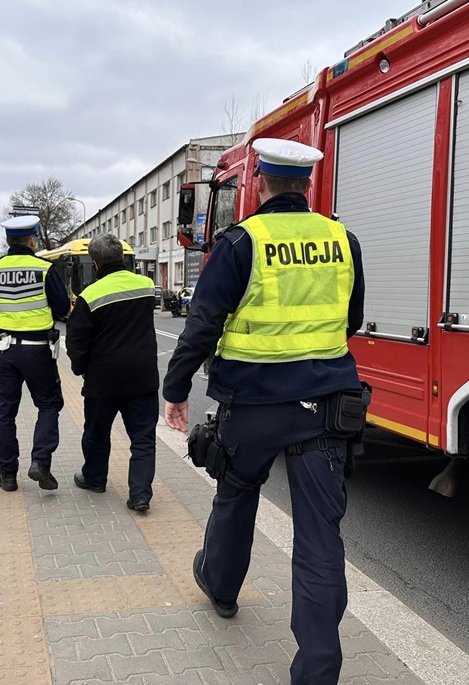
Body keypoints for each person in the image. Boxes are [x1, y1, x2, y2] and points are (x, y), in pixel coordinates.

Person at [162, 138, 366, 685]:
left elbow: (203, 324)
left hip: (252, 406)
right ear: (307, 185)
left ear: (259, 182)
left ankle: (222, 588)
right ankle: (318, 671)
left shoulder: (240, 242)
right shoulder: (343, 240)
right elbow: (351, 320)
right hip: (324, 406)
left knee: (236, 494)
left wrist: (176, 389)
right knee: (320, 535)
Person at [66, 234, 159, 511]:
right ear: (121, 256)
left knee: (96, 433)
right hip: (142, 377)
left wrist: (80, 368)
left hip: (102, 380)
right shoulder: (146, 286)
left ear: (95, 263)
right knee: (143, 438)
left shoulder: (89, 296)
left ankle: (95, 479)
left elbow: (76, 340)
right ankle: (140, 495)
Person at [0, 216, 70, 492]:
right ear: (33, 240)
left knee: (5, 412)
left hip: (5, 351)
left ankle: (7, 475)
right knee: (48, 404)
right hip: (39, 351)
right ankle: (40, 462)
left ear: (8, 241)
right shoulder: (44, 268)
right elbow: (63, 308)